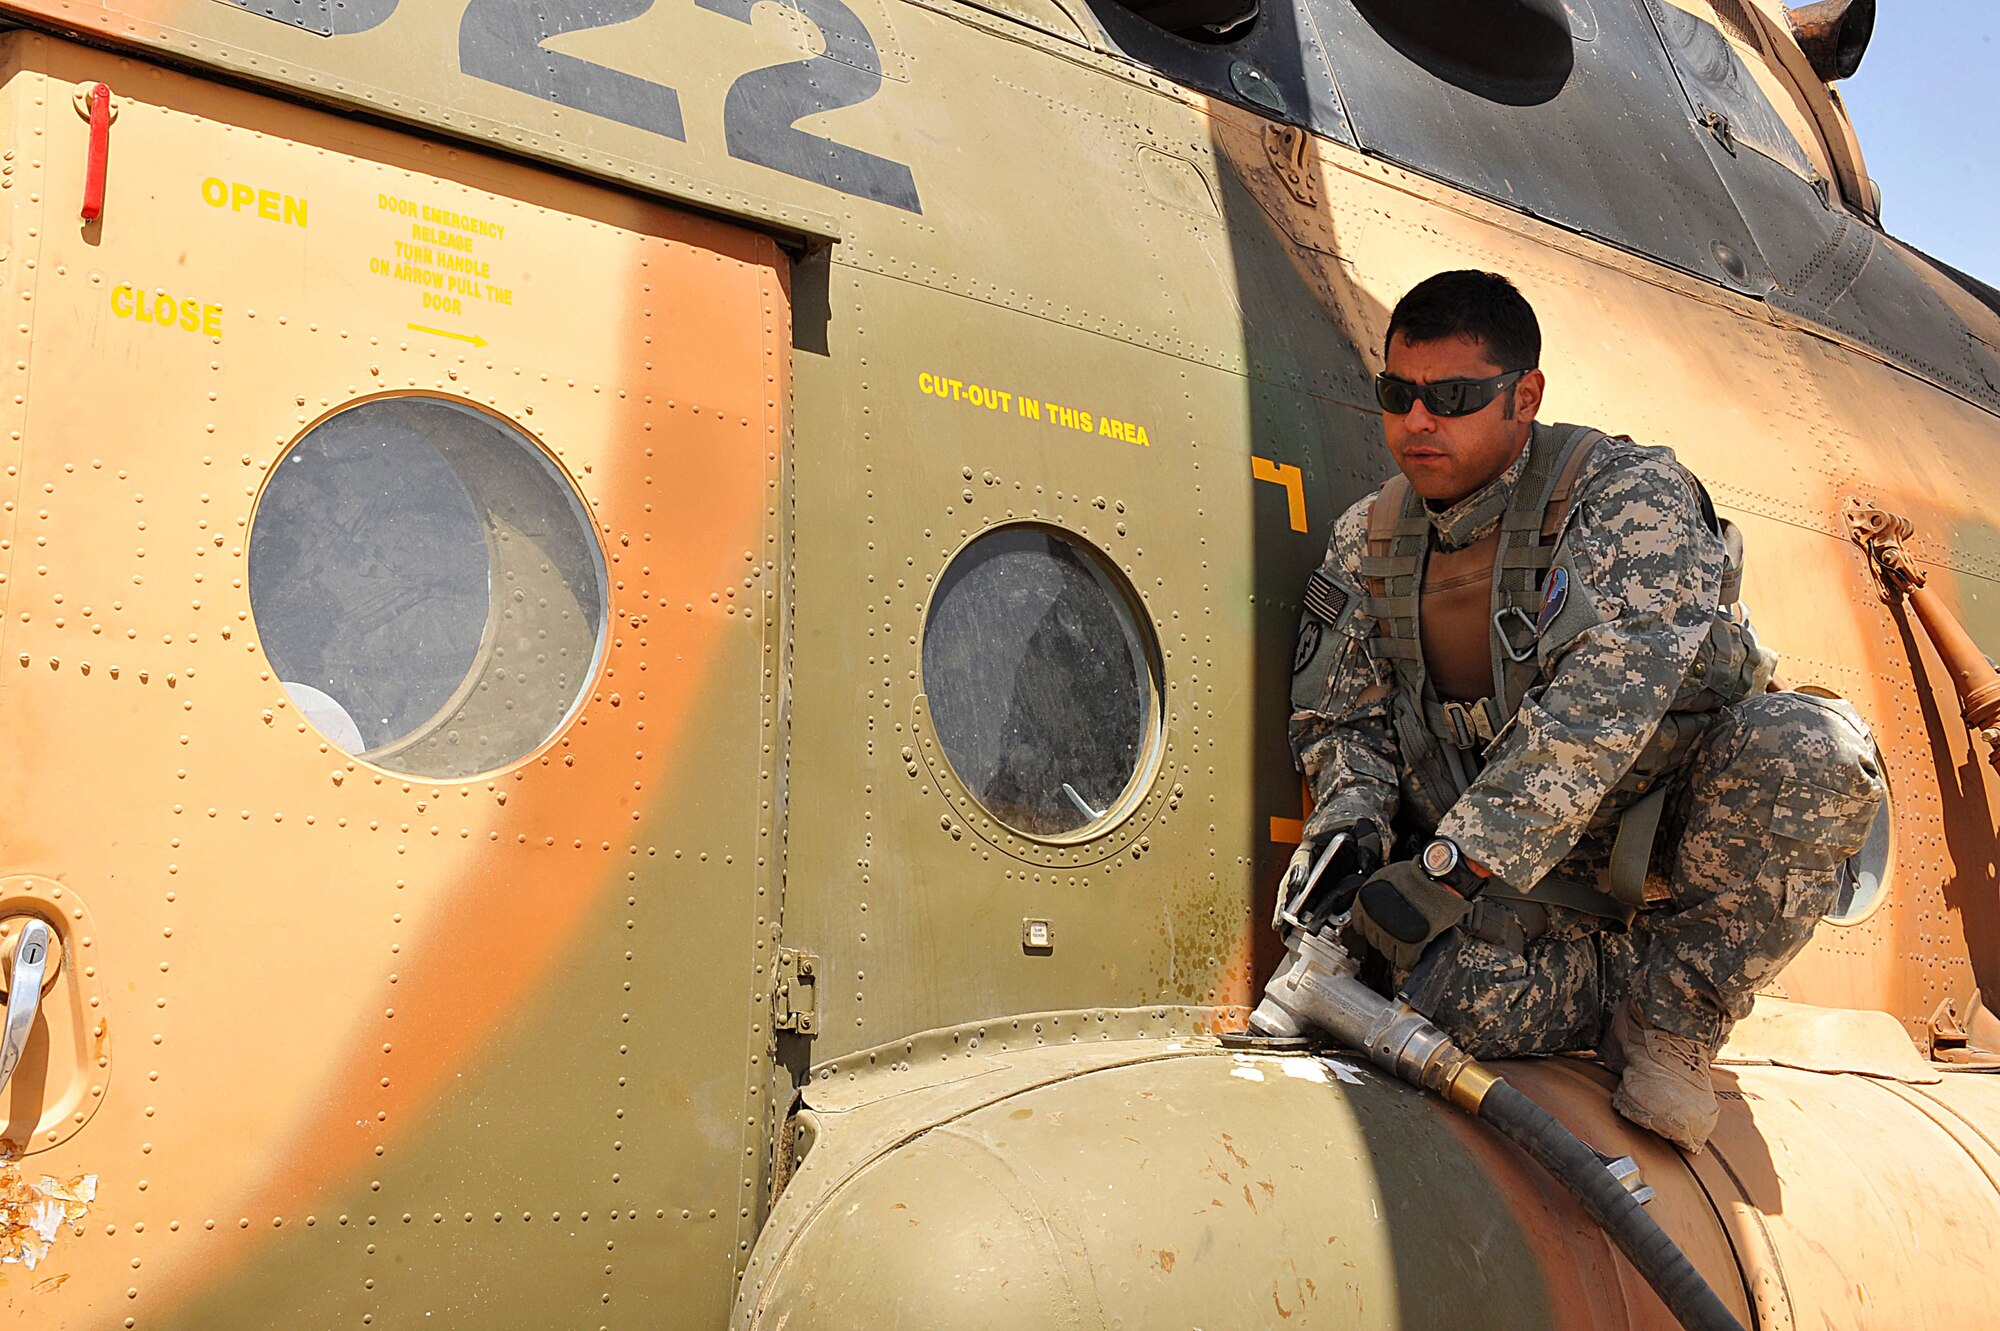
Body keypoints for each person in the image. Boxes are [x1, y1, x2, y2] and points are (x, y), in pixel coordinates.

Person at [1286, 270, 1884, 1152]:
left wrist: (1450, 866)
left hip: (1644, 850)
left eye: (1451, 397)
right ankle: (1615, 991)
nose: (1417, 421)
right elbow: (1343, 723)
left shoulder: (1630, 496)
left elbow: (1602, 707)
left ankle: (1674, 1017)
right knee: (1437, 995)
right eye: (1398, 394)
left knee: (1812, 750)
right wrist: (1352, 827)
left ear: (1523, 397)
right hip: (1519, 896)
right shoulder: (1369, 540)